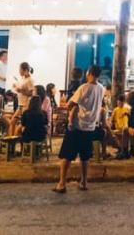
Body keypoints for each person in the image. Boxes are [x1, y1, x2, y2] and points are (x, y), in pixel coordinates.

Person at [54, 65, 105, 193]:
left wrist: (69, 106)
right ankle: (84, 182)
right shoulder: (101, 88)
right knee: (85, 157)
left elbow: (70, 104)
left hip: (77, 126)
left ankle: (62, 184)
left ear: (89, 73)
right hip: (90, 127)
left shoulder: (83, 88)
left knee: (67, 156)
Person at [9, 62, 35, 136]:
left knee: (24, 124)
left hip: (26, 105)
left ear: (25, 70)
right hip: (20, 104)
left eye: (20, 70)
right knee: (13, 121)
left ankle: (23, 140)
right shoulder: (23, 78)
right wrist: (16, 86)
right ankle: (12, 138)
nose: (19, 71)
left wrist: (21, 91)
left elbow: (31, 93)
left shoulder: (30, 80)